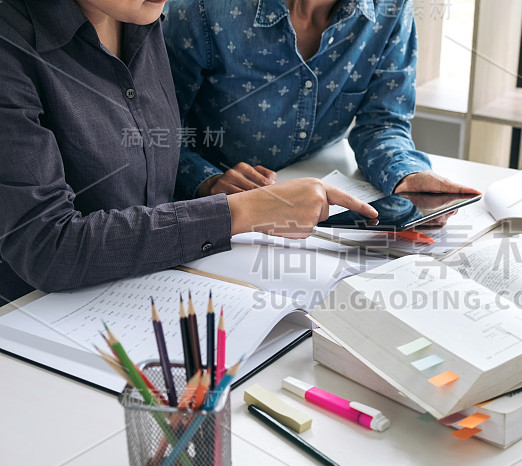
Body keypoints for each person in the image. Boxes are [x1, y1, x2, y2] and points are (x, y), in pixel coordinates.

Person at [0, 0, 377, 303]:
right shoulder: (11, 45)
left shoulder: (142, 17)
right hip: (35, 322)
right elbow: (48, 248)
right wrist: (246, 211)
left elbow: (152, 157)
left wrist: (209, 186)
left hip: (152, 289)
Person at [162, 0, 479, 201]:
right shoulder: (198, 10)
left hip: (319, 197)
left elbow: (382, 122)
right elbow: (154, 135)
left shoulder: (391, 9)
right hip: (219, 207)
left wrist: (405, 174)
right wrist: (207, 180)